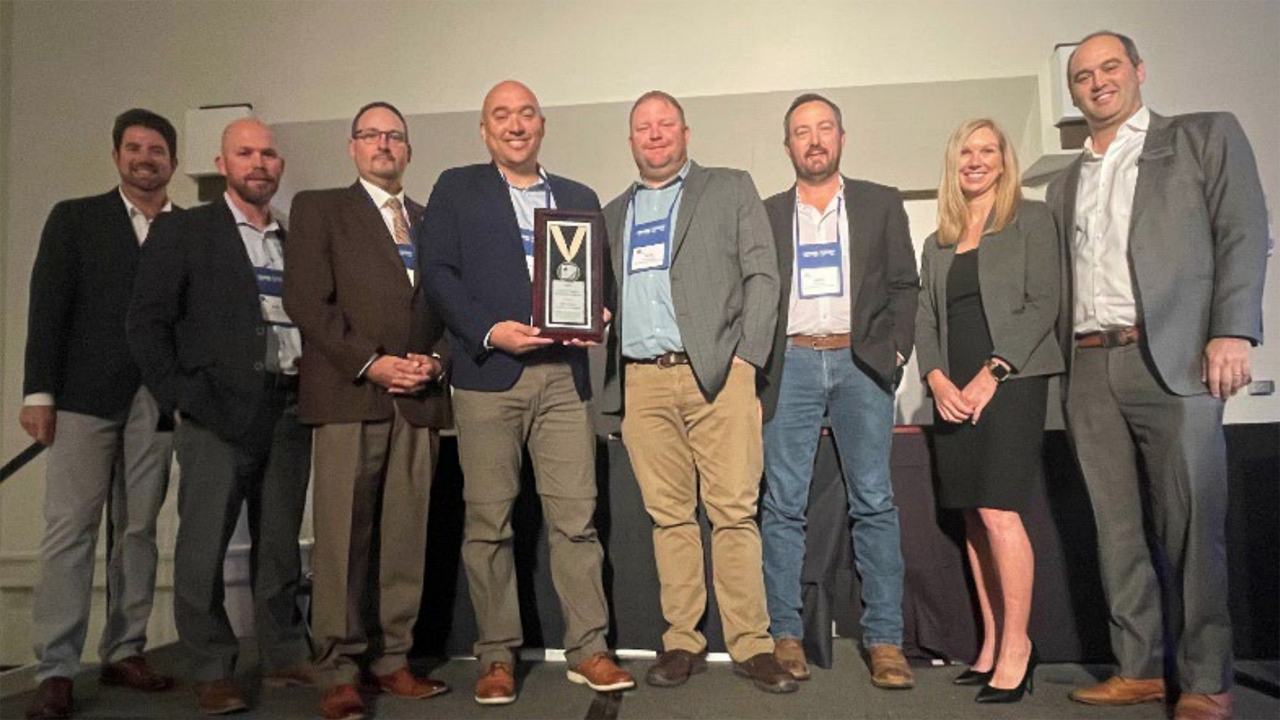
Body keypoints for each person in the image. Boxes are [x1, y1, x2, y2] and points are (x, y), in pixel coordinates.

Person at [1048, 31, 1268, 720]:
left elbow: (1242, 228)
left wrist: (1231, 330)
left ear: (1139, 72)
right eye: (1083, 75)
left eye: (1110, 67)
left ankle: (1205, 681)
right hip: (1087, 364)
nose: (1097, 82)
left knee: (1192, 524)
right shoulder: (1065, 181)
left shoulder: (1203, 137)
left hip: (1171, 359)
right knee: (1115, 528)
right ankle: (1139, 667)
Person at [417, 80, 634, 706]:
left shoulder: (578, 196)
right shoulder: (456, 188)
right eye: (501, 116)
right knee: (488, 523)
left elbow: (602, 284)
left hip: (564, 380)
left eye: (527, 114)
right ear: (485, 132)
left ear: (542, 125)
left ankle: (589, 647)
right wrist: (488, 331)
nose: (516, 125)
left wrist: (600, 313)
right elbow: (438, 275)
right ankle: (496, 656)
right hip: (487, 377)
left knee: (576, 520)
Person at [601, 90, 795, 695]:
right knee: (669, 518)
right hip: (642, 379)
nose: (654, 135)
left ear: (685, 132)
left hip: (718, 375)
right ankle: (682, 639)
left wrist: (747, 360)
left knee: (735, 512)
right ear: (631, 140)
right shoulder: (611, 213)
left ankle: (752, 644)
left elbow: (764, 275)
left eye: (664, 125)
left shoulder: (730, 187)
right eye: (642, 127)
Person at [128, 118, 313, 715]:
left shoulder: (295, 235)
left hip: (288, 403)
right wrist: (181, 395)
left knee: (281, 541)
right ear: (222, 163)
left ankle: (284, 651)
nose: (258, 163)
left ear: (279, 165)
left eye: (267, 154)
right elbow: (146, 323)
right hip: (214, 410)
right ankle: (211, 664)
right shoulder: (185, 230)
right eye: (245, 153)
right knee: (203, 543)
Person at [284, 101, 451, 720]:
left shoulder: (432, 221)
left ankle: (392, 661)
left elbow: (452, 306)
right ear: (351, 146)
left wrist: (436, 361)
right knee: (341, 541)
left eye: (395, 136)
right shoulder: (319, 208)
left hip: (419, 400)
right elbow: (307, 300)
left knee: (404, 541)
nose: (384, 144)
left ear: (408, 151)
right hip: (351, 395)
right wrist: (373, 363)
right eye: (372, 134)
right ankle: (338, 666)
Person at [21, 109, 179, 720]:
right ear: (116, 156)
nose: (146, 158)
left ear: (171, 160)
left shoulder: (186, 229)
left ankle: (126, 650)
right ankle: (56, 668)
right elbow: (48, 306)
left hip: (158, 401)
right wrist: (39, 393)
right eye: (135, 148)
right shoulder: (75, 218)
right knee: (71, 530)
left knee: (138, 530)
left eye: (157, 149)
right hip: (84, 397)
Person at [759, 93, 919, 689]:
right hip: (792, 363)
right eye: (802, 131)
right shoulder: (769, 212)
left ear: (842, 137)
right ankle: (786, 634)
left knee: (874, 501)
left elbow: (906, 284)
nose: (815, 139)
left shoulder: (879, 203)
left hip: (860, 362)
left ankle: (884, 642)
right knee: (782, 505)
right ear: (789, 146)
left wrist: (895, 352)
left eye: (824, 128)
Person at [915, 118, 1062, 703]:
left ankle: (1019, 648)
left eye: (987, 151)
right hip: (953, 387)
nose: (975, 160)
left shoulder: (1032, 219)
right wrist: (936, 378)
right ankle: (993, 639)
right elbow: (925, 317)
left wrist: (991, 373)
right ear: (955, 164)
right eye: (965, 152)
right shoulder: (939, 239)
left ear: (1004, 160)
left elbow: (1042, 302)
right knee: (973, 515)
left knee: (1000, 511)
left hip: (1012, 380)